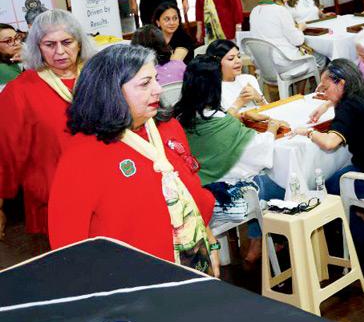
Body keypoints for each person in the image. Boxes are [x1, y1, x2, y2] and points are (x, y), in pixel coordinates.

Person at [49, 44, 218, 274]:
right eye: (145, 83)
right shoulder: (83, 155)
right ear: (111, 91)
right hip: (132, 281)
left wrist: (210, 243)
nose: (158, 89)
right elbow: (67, 243)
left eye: (155, 79)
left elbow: (192, 192)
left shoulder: (167, 127)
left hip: (193, 261)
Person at [0, 10, 96, 235]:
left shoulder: (97, 77)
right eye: (49, 44)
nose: (60, 51)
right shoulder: (20, 91)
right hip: (55, 201)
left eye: (66, 42)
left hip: (107, 193)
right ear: (36, 47)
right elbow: (6, 150)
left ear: (79, 42)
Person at [294, 59, 364, 260]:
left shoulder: (348, 107)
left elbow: (330, 143)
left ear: (341, 83)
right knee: (339, 176)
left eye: (325, 87)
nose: (323, 92)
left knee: (326, 188)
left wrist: (307, 133)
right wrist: (327, 104)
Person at [175, 55, 286, 211]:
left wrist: (240, 115)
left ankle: (254, 232)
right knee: (282, 179)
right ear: (215, 86)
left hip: (197, 187)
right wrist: (272, 128)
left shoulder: (180, 116)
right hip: (227, 191)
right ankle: (260, 232)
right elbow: (259, 152)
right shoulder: (222, 122)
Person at [249, 0, 322, 66]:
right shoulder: (280, 11)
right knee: (321, 58)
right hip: (284, 62)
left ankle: (302, 79)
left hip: (264, 64)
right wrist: (300, 28)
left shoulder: (255, 10)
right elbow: (298, 41)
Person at [205, 39, 263, 115]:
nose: (238, 61)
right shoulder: (210, 88)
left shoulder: (249, 79)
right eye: (231, 58)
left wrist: (259, 98)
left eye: (239, 56)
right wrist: (240, 102)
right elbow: (219, 123)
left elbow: (269, 110)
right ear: (216, 62)